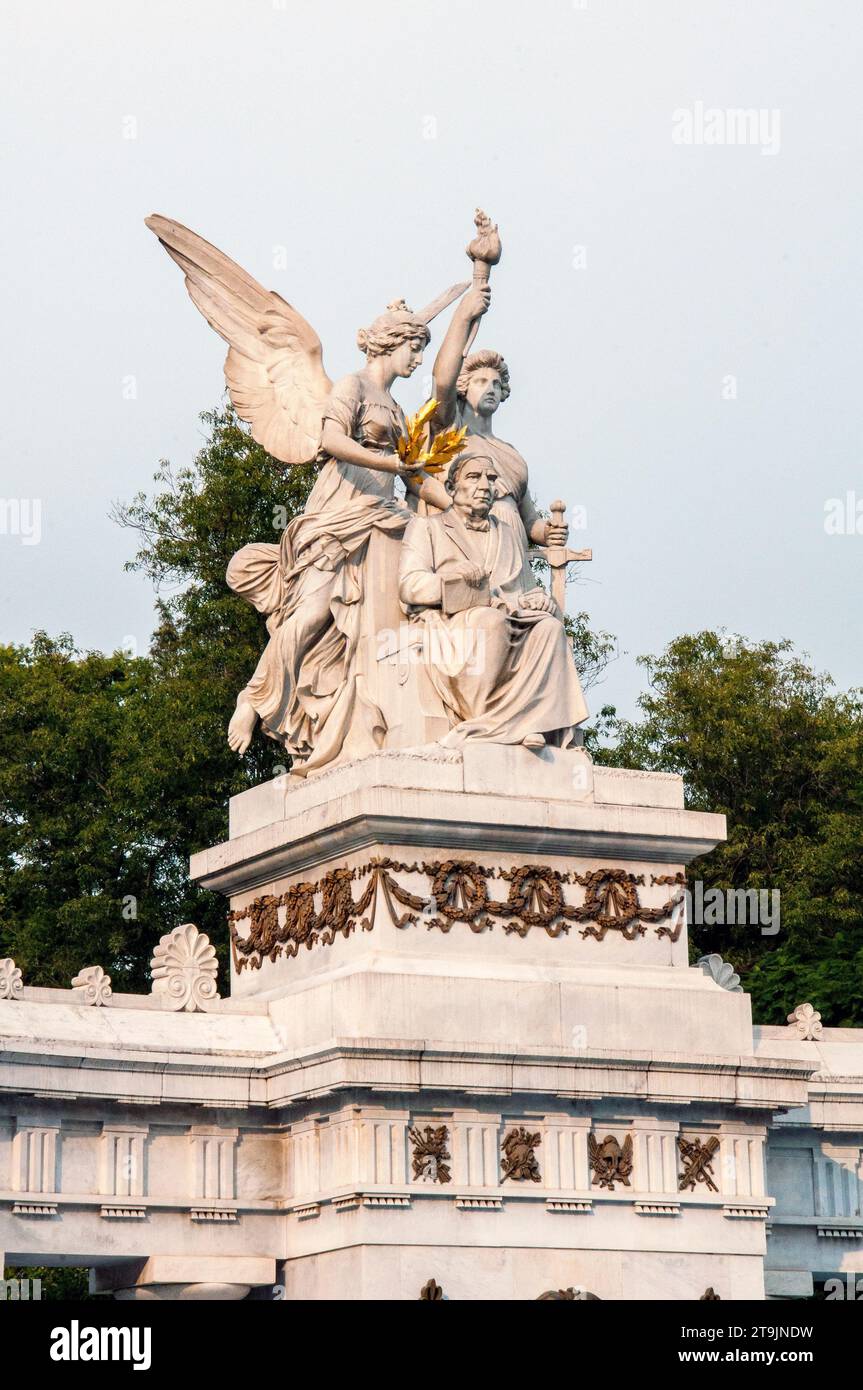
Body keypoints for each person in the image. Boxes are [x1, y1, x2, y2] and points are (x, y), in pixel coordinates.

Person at [226, 294, 484, 774]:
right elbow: (331, 440)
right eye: (414, 347)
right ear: (391, 344)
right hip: (338, 517)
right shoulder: (352, 386)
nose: (419, 358)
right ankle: (253, 699)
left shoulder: (401, 410)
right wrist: (390, 461)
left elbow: (415, 479)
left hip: (384, 521)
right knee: (308, 618)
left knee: (387, 626)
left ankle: (376, 724)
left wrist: (464, 512)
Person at [397, 444, 588, 749]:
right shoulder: (427, 528)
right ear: (452, 486)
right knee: (490, 623)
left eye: (490, 478)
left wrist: (538, 598)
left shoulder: (507, 533)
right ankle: (486, 725)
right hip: (453, 621)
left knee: (550, 628)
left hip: (510, 616)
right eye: (474, 477)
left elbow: (521, 588)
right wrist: (454, 583)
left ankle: (532, 722)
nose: (484, 486)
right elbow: (410, 585)